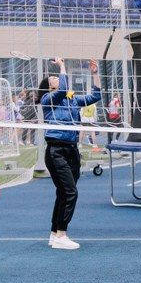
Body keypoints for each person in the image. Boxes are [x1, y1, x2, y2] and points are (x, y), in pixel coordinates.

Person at [37, 73, 100, 250]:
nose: (57, 78)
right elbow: (63, 88)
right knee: (71, 192)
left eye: (57, 76)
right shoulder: (47, 99)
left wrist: (94, 74)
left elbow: (95, 97)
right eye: (53, 78)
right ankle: (62, 234)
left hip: (72, 150)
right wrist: (62, 66)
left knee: (63, 193)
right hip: (56, 150)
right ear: (49, 86)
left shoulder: (71, 100)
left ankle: (54, 233)